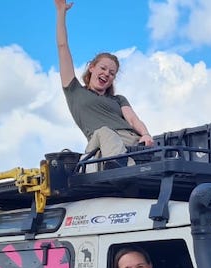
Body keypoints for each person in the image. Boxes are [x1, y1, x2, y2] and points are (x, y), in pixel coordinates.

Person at [54, 0, 154, 164]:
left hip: (131, 141)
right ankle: (121, 167)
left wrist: (145, 134)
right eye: (103, 68)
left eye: (112, 73)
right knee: (104, 132)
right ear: (92, 67)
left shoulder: (118, 99)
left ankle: (130, 164)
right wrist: (61, 12)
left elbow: (133, 120)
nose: (107, 74)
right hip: (101, 144)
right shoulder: (75, 91)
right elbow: (62, 46)